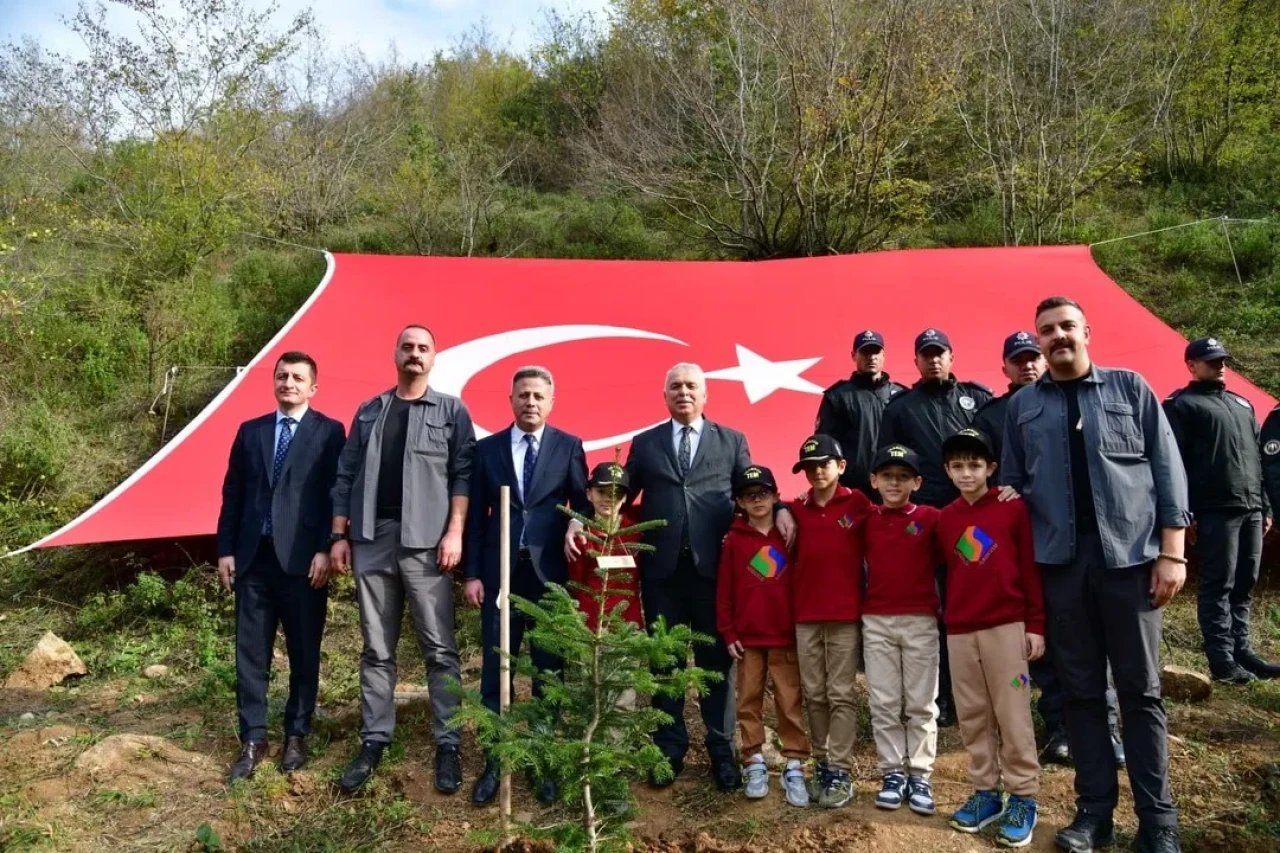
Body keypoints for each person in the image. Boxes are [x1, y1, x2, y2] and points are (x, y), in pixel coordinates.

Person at [1003, 297, 1189, 853]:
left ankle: (1158, 822)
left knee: (1141, 691)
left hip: (1130, 561)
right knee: (1081, 693)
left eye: (1066, 326)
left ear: (1087, 331)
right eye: (1047, 330)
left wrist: (1172, 552)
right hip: (1061, 566)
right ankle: (1095, 815)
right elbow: (1012, 483)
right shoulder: (1022, 407)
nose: (1057, 336)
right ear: (1038, 341)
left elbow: (1167, 468)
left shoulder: (1130, 388)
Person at [566, 363, 795, 792]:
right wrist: (579, 519)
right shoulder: (647, 443)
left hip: (712, 574)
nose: (683, 392)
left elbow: (751, 490)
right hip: (662, 575)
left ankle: (721, 750)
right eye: (675, 386)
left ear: (705, 395)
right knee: (665, 664)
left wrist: (781, 509)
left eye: (691, 386)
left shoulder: (731, 440)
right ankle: (668, 750)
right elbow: (618, 493)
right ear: (665, 395)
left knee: (715, 667)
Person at [329, 325, 476, 795]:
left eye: (423, 348)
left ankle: (448, 743)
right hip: (371, 539)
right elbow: (345, 474)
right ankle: (374, 739)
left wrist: (455, 531)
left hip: (427, 544)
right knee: (376, 648)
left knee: (439, 648)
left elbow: (463, 475)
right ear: (395, 354)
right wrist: (339, 535)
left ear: (433, 358)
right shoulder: (370, 411)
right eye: (408, 347)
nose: (415, 353)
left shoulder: (451, 411)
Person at [976, 331, 1123, 768]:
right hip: (1028, 543)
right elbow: (989, 478)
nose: (1026, 365)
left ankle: (1107, 726)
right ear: (1004, 367)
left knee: (1095, 637)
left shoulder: (1080, 401)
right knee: (1047, 639)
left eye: (1031, 357)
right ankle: (1059, 724)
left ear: (1042, 360)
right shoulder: (992, 414)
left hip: (1083, 540)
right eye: (1017, 359)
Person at [215, 352, 346, 782]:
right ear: (273, 382)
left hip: (304, 562)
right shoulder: (250, 431)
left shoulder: (329, 432)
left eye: (298, 377)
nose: (288, 382)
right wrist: (226, 549)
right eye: (282, 376)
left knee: (304, 652)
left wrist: (327, 547)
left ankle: (296, 734)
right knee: (250, 654)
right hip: (253, 559)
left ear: (313, 387)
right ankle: (253, 738)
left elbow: (335, 494)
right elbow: (233, 494)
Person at [463, 366, 589, 806]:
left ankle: (543, 759)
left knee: (548, 672)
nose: (530, 402)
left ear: (551, 402)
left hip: (550, 577)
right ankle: (495, 760)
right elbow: (476, 518)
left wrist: (576, 523)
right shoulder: (488, 450)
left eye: (538, 395)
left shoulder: (568, 446)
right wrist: (473, 574)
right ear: (511, 400)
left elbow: (583, 504)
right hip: (499, 575)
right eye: (523, 395)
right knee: (497, 668)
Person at [879, 327, 993, 728]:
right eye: (926, 354)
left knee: (980, 599)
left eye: (939, 352)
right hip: (928, 522)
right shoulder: (901, 408)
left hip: (975, 517)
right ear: (916, 361)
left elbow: (993, 453)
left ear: (951, 356)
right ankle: (942, 696)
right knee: (938, 606)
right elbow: (889, 465)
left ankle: (985, 693)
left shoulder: (978, 399)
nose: (933, 360)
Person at [937, 428, 1044, 848]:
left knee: (1013, 712)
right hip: (961, 630)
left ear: (991, 468)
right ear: (947, 470)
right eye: (958, 466)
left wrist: (1035, 625)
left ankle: (1023, 796)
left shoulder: (1011, 508)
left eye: (975, 465)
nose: (967, 473)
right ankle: (986, 792)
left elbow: (1030, 568)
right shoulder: (945, 518)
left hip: (1007, 627)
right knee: (973, 715)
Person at [1163, 336, 1277, 682]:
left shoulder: (1242, 404)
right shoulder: (1180, 405)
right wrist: (1185, 512)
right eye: (1211, 361)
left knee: (1245, 582)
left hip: (1251, 506)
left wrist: (1265, 505)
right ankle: (1222, 661)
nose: (1220, 366)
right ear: (1191, 365)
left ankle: (1243, 653)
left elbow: (1258, 458)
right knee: (1218, 584)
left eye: (1222, 360)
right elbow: (1172, 463)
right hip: (1213, 509)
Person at [716, 464, 809, 807]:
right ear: (739, 502)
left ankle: (794, 762)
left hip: (785, 634)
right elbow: (724, 591)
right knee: (748, 700)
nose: (757, 500)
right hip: (748, 638)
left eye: (764, 493)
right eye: (749, 495)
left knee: (789, 700)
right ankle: (753, 759)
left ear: (776, 496)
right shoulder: (734, 540)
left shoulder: (790, 532)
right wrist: (728, 631)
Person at [789, 434, 873, 809]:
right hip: (806, 613)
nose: (816, 472)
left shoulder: (858, 503)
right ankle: (822, 763)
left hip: (844, 614)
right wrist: (781, 509)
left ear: (841, 466)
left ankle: (840, 770)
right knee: (814, 693)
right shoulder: (797, 508)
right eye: (809, 467)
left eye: (824, 464)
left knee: (840, 693)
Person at [861, 444, 941, 817]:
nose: (894, 483)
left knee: (921, 703)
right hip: (876, 621)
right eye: (887, 476)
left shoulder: (931, 517)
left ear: (916, 482)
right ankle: (893, 772)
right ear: (874, 480)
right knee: (884, 702)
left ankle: (920, 776)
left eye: (903, 477)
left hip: (921, 620)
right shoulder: (864, 518)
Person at [815, 329, 907, 498]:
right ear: (853, 356)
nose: (871, 357)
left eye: (876, 352)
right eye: (865, 352)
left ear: (883, 355)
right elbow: (825, 448)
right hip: (852, 490)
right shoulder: (837, 396)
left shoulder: (902, 395)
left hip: (894, 488)